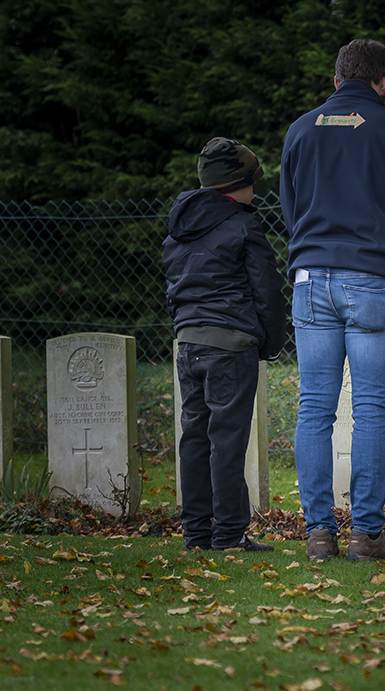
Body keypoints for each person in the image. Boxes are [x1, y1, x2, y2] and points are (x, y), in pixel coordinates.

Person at [280, 39, 385, 562]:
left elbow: (290, 205)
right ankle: (367, 535)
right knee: (371, 410)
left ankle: (318, 534)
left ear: (336, 78)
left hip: (310, 278)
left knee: (314, 409)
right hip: (376, 276)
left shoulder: (301, 130)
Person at [163, 137, 286, 552]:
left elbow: (174, 287)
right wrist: (270, 342)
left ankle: (196, 534)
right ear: (237, 185)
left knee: (195, 440)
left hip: (188, 343)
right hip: (230, 345)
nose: (256, 191)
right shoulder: (244, 223)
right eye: (253, 182)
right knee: (227, 443)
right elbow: (266, 290)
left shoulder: (179, 226)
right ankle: (230, 535)